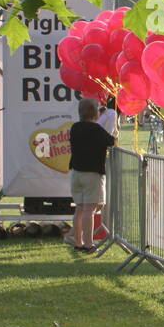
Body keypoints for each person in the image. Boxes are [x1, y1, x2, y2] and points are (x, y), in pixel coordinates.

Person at [68, 97, 115, 253]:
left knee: (79, 209)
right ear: (96, 113)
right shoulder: (96, 129)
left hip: (76, 172)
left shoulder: (75, 128)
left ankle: (78, 241)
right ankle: (89, 243)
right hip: (92, 173)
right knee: (89, 210)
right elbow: (110, 141)